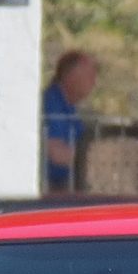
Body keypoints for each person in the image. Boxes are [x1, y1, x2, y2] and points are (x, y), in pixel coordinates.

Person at [43, 50, 96, 192]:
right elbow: (56, 154)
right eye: (89, 76)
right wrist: (98, 160)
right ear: (71, 76)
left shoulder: (69, 107)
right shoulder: (52, 103)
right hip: (55, 189)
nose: (94, 82)